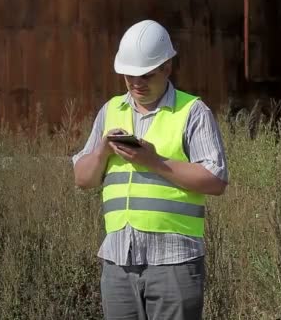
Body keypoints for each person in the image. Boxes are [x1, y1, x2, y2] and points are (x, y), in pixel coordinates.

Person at [72, 19, 228, 320]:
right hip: (118, 260)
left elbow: (216, 180)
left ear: (167, 67)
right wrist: (104, 148)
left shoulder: (193, 112)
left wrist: (154, 162)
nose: (136, 84)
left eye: (145, 75)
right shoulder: (110, 110)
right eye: (129, 76)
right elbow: (83, 178)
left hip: (174, 261)